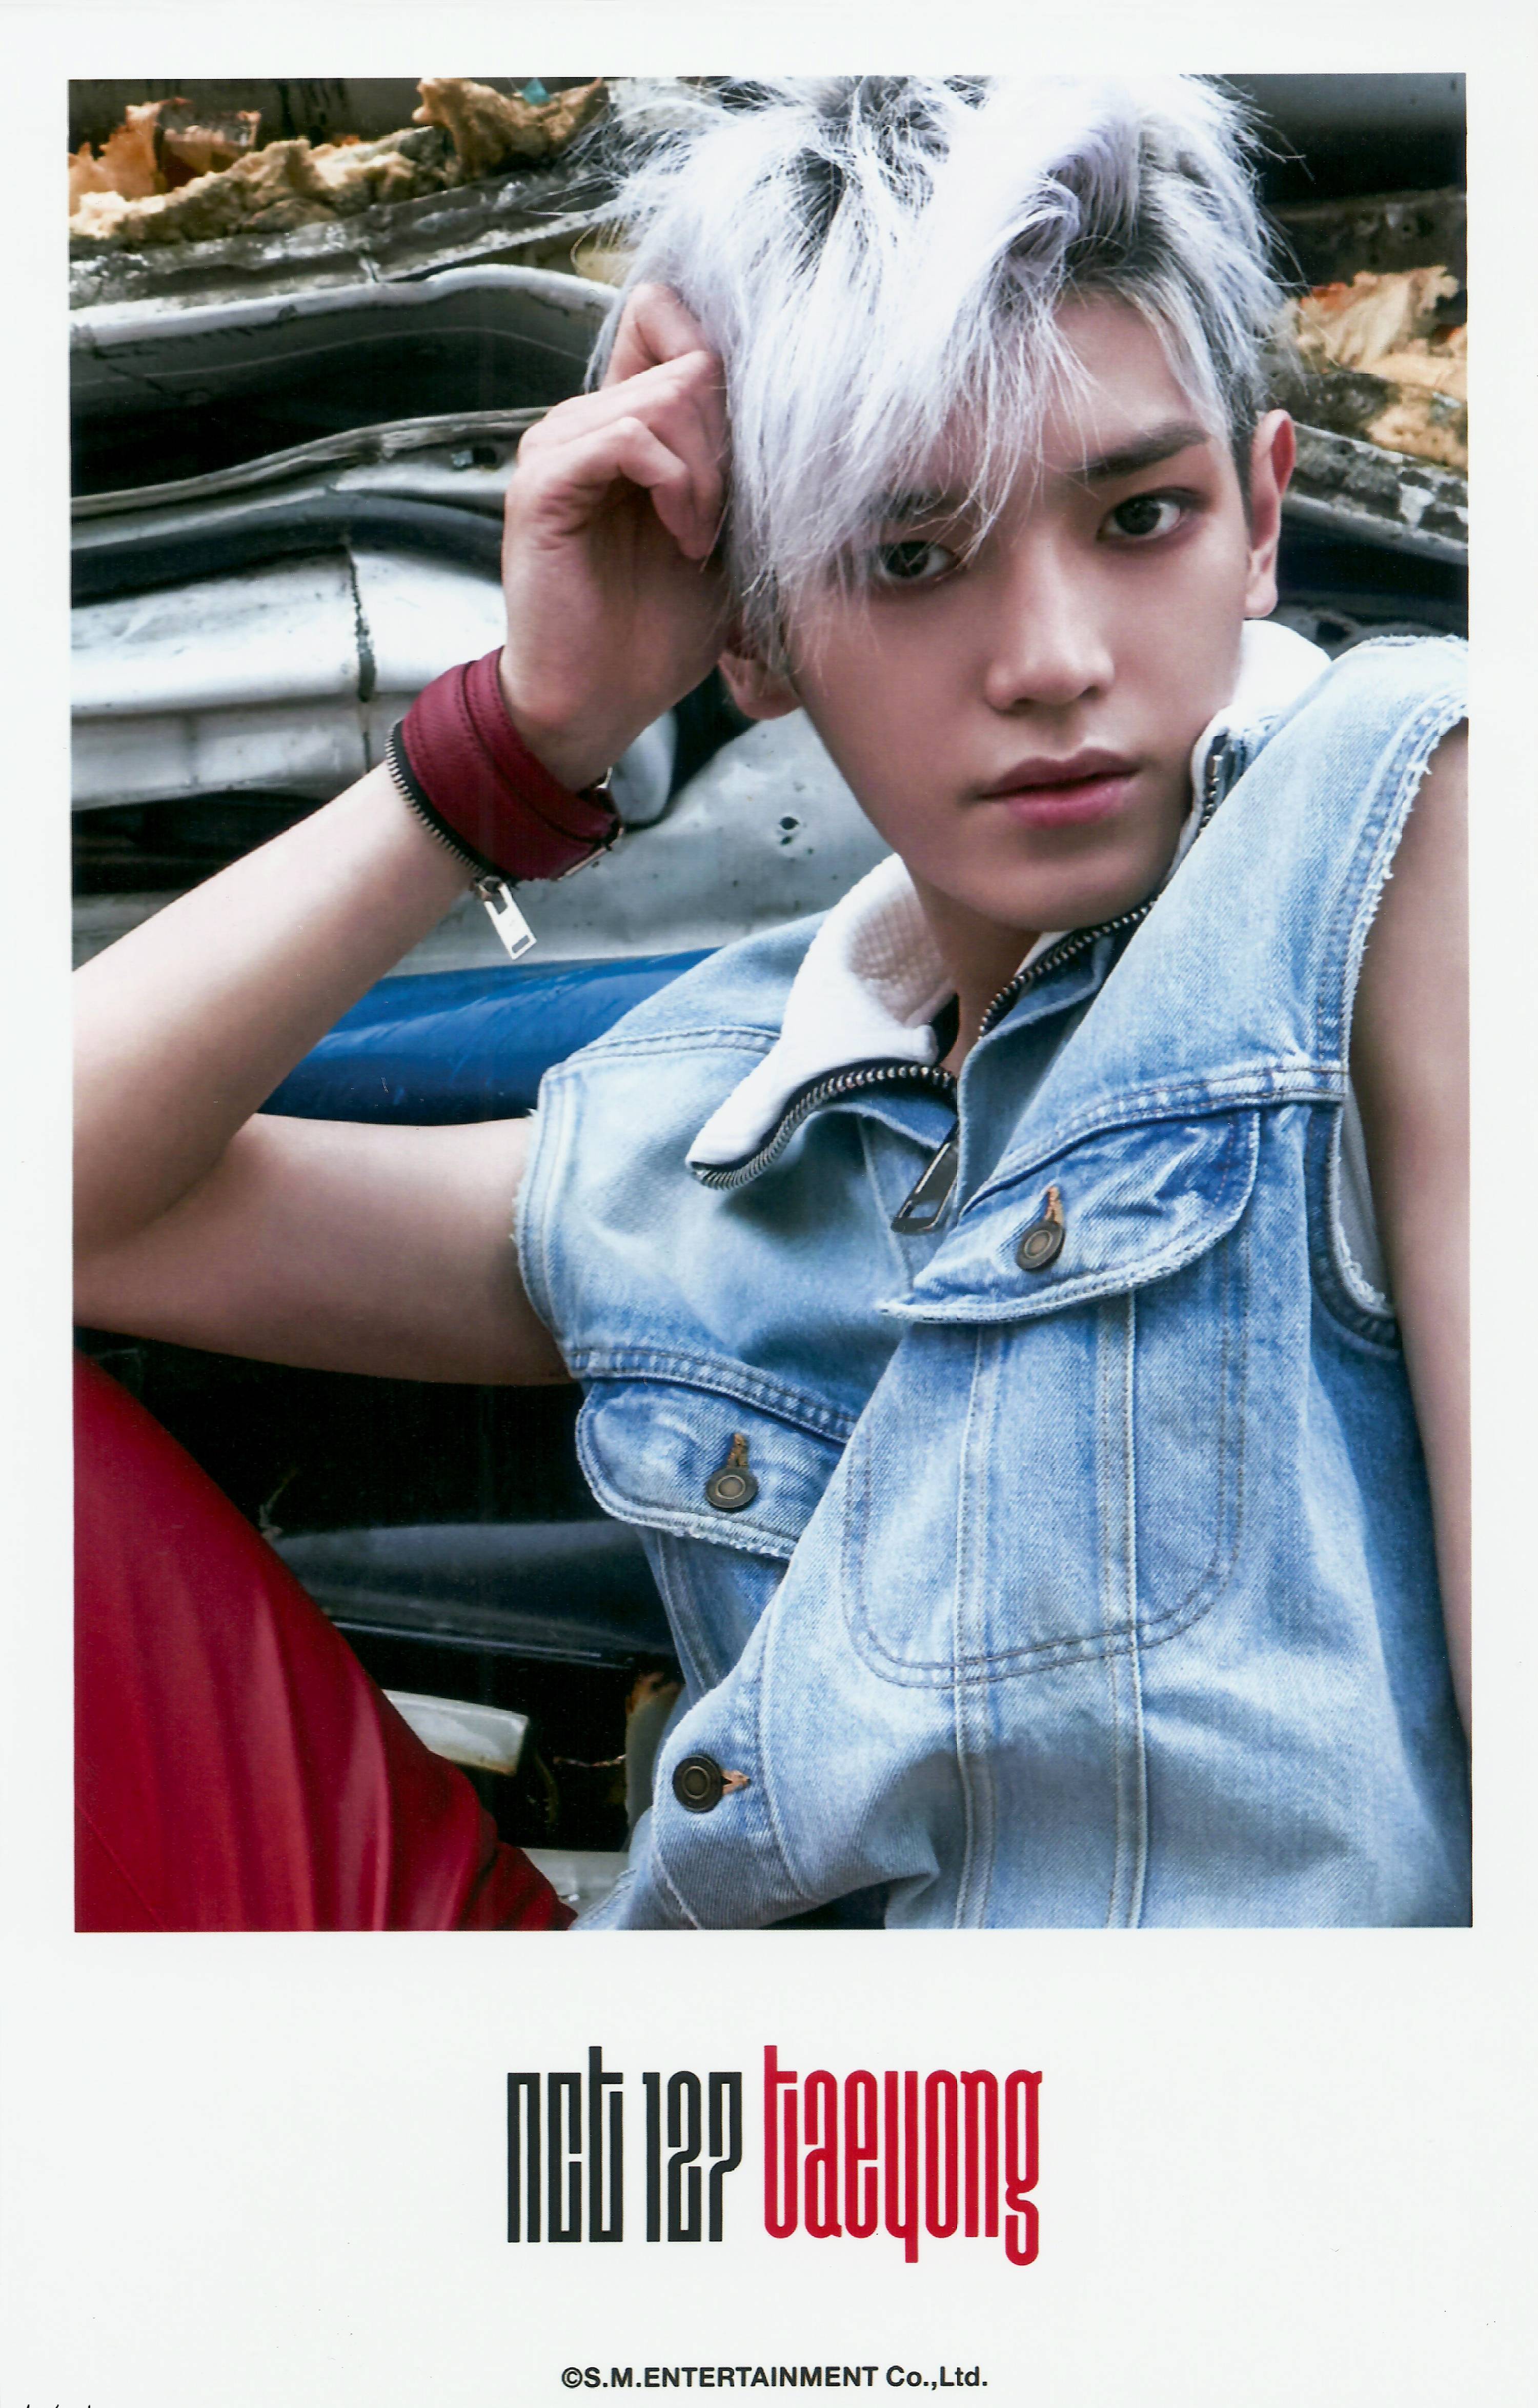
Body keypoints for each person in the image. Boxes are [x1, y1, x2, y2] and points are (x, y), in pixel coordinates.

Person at [74, 75, 1469, 1931]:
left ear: (1263, 515)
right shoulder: (730, 1122)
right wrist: (521, 744)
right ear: (756, 633)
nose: (1055, 661)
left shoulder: (1403, 818)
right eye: (910, 557)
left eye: (1142, 515)